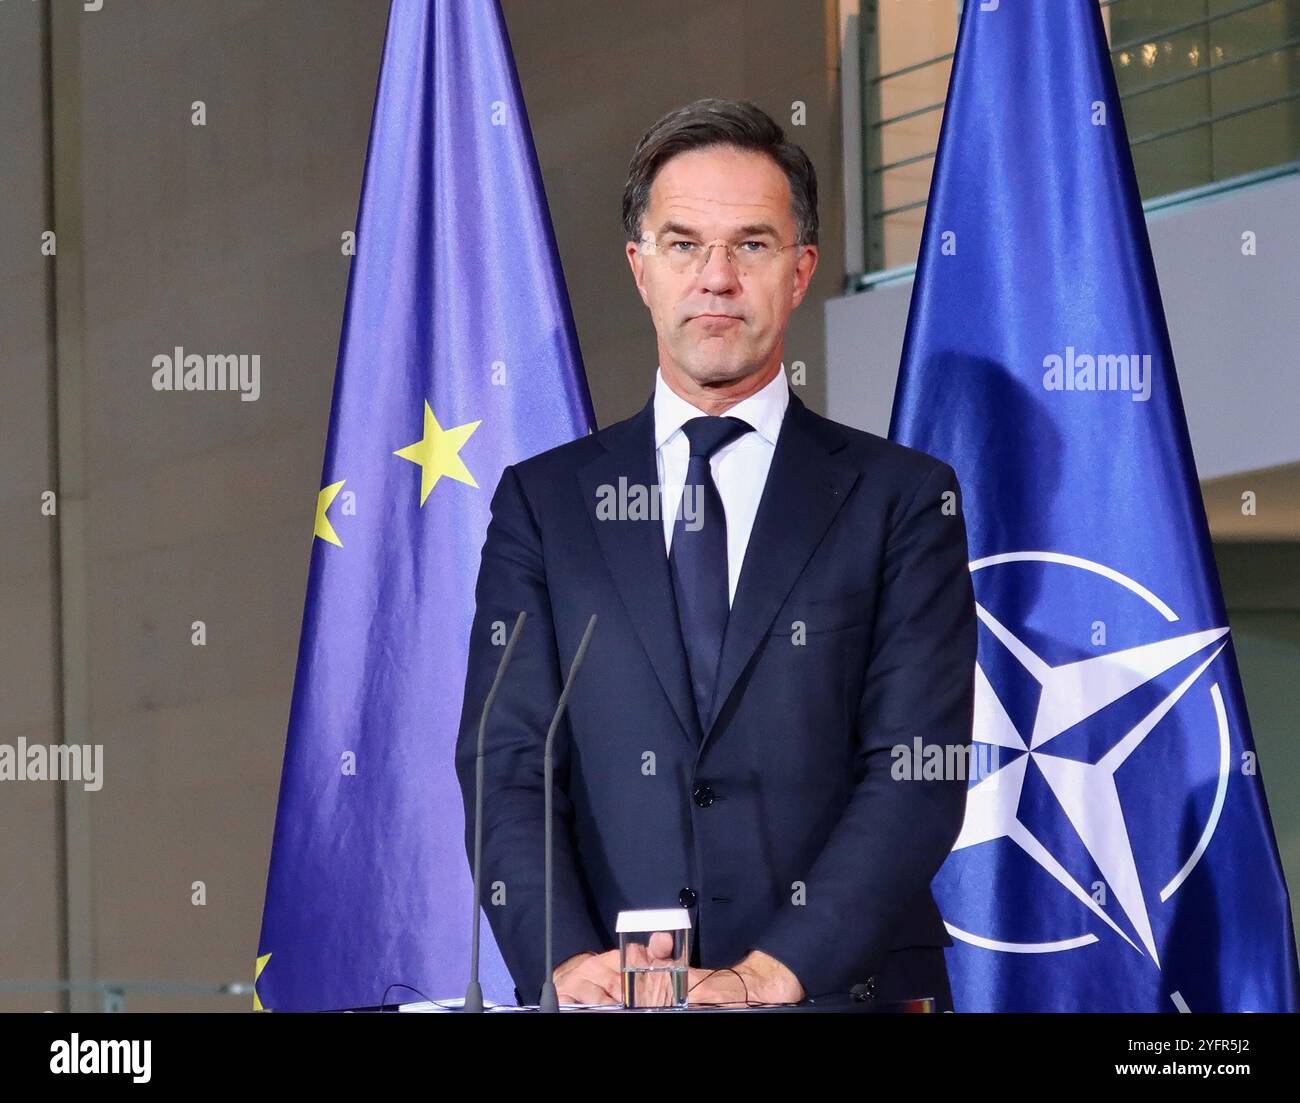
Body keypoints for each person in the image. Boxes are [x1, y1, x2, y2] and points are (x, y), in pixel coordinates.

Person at [455, 98, 976, 1010]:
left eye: (753, 245)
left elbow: (916, 770)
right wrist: (565, 960)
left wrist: (766, 979)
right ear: (640, 268)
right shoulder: (543, 504)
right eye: (684, 244)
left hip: (842, 994)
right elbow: (509, 762)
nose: (717, 278)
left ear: (802, 268)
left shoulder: (901, 500)